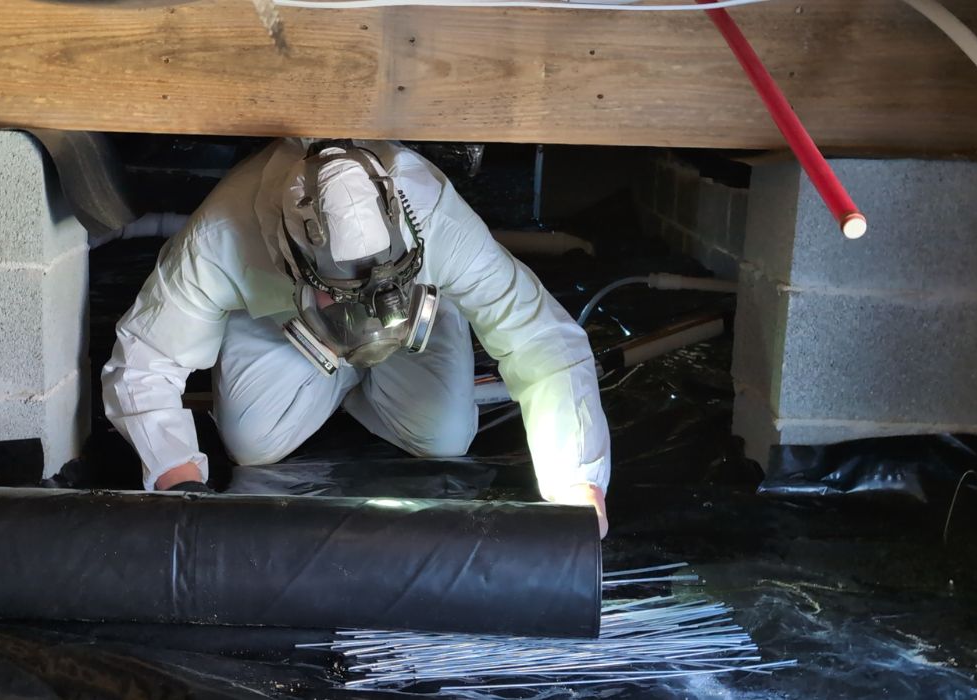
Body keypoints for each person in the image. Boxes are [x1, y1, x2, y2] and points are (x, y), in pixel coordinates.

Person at [102, 138, 610, 536]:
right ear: (293, 261)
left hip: (410, 321)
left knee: (446, 437)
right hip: (287, 325)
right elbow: (145, 361)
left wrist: (578, 483)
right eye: (343, 296)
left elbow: (540, 337)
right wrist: (181, 485)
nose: (360, 317)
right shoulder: (221, 239)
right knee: (252, 444)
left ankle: (375, 371)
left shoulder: (434, 218)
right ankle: (330, 372)